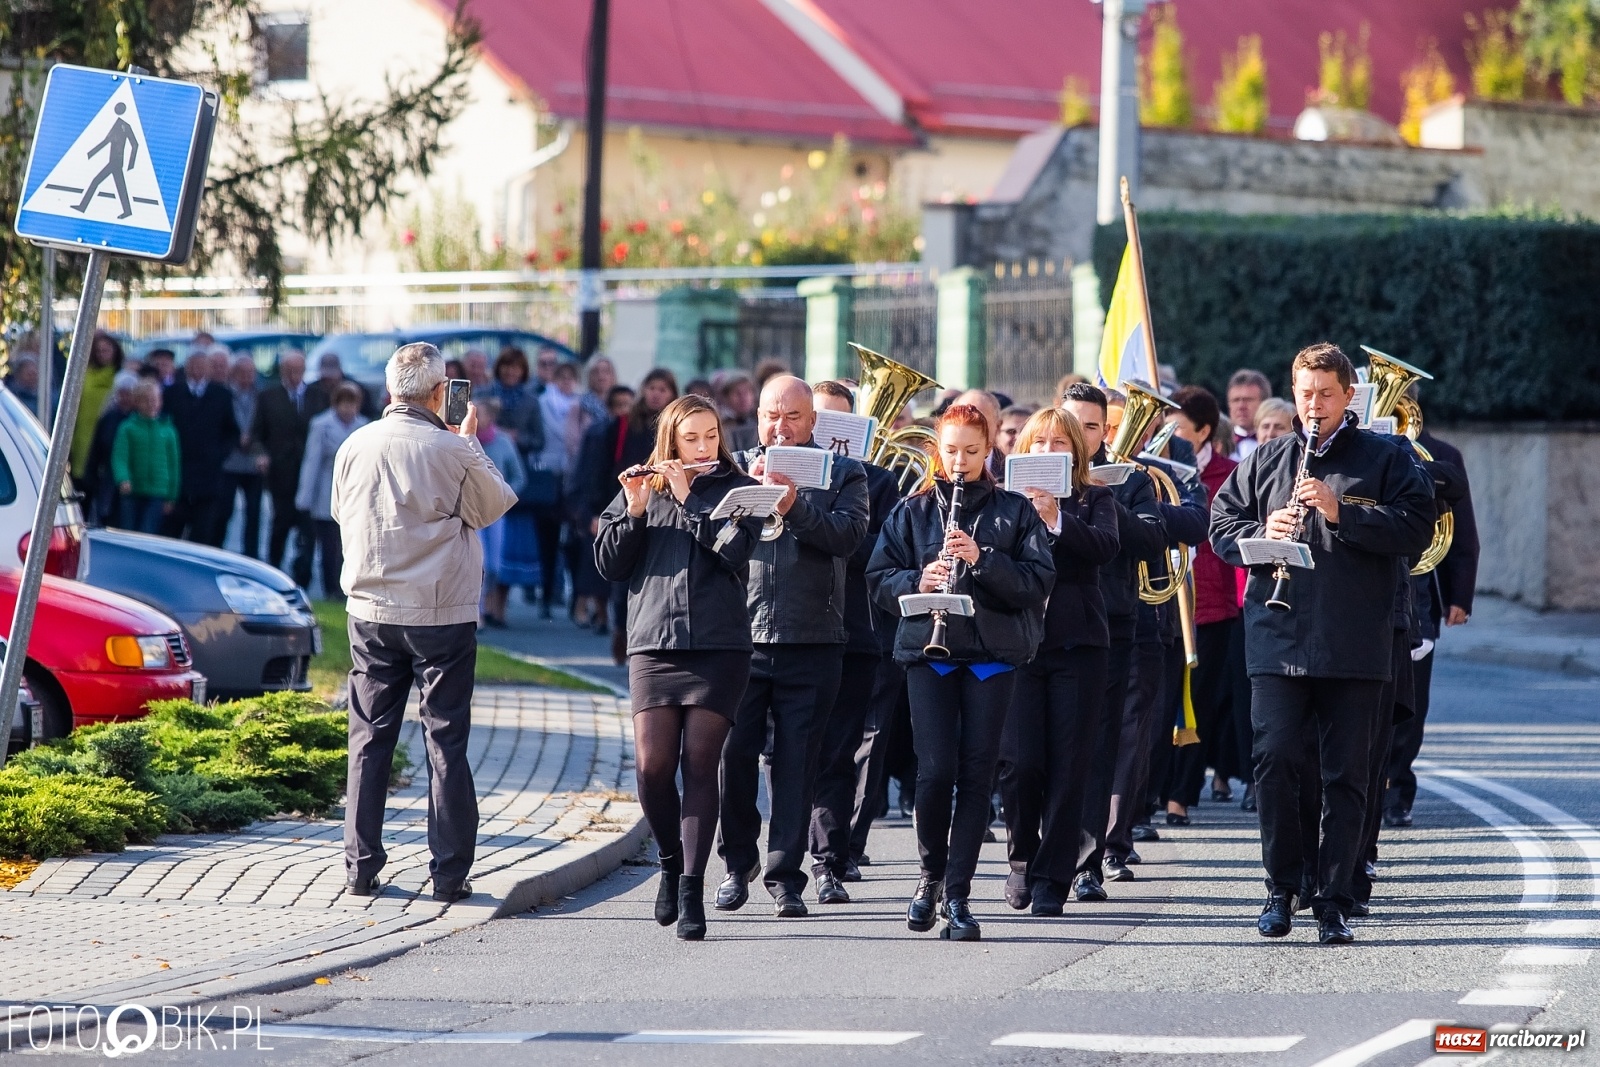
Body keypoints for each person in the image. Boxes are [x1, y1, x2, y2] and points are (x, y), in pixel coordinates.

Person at [1211, 342, 1434, 944]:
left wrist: (1341, 514)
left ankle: (1334, 898)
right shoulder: (1269, 458)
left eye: (1326, 395)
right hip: (1277, 636)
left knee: (1347, 775)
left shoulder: (1385, 457)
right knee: (1276, 760)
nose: (1314, 406)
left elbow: (1416, 527)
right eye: (1305, 394)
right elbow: (1221, 525)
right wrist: (1263, 531)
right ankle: (1282, 889)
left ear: (1348, 395)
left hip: (1354, 641)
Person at [331, 342, 519, 903]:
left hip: (369, 608)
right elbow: (494, 506)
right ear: (440, 393)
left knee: (367, 738)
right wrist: (470, 443)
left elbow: (341, 512)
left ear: (391, 390)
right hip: (441, 612)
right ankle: (448, 874)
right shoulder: (451, 448)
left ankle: (360, 868)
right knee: (445, 740)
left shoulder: (354, 444)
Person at [867, 404, 1054, 941]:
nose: (960, 461)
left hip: (992, 655)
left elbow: (1037, 582)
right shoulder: (913, 511)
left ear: (990, 448)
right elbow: (877, 577)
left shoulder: (1014, 511)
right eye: (950, 450)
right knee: (935, 772)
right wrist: (916, 581)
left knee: (976, 774)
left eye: (972, 451)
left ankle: (958, 894)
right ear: (937, 450)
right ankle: (928, 876)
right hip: (932, 655)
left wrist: (982, 559)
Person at [596, 394, 763, 940]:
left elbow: (735, 554)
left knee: (699, 764)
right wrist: (636, 509)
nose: (702, 446)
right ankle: (669, 859)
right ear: (670, 441)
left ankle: (692, 887)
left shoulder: (738, 493)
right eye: (690, 438)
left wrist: (691, 498)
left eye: (710, 436)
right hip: (654, 645)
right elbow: (611, 565)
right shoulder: (643, 491)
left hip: (719, 648)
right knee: (650, 766)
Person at [715, 374, 869, 919]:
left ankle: (785, 877)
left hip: (815, 638)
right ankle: (737, 862)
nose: (780, 427)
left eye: (793, 417)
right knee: (732, 759)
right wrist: (747, 504)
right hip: (741, 639)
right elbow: (714, 552)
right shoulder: (731, 467)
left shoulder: (845, 472)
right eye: (770, 416)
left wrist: (795, 504)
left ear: (813, 423)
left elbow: (848, 540)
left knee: (796, 765)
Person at [997, 406, 1119, 914]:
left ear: (1076, 453)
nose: (1048, 451)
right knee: (1021, 764)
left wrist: (1056, 519)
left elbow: (1105, 549)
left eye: (1060, 443)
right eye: (1039, 442)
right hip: (1020, 643)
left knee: (1071, 766)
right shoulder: (1005, 501)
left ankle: (1054, 878)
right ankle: (1022, 858)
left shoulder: (1095, 498)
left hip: (1078, 644)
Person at [1060, 383, 1167, 901]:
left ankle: (1087, 863)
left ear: (1107, 431)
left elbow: (1153, 538)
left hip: (1110, 623)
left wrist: (1102, 500)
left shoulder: (1130, 482)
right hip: (1044, 625)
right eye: (1072, 424)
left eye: (1092, 426)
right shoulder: (1033, 468)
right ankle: (1035, 854)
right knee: (1037, 750)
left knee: (1099, 746)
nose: (1081, 435)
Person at [806, 380, 904, 904]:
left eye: (840, 424)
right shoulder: (776, 476)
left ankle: (835, 852)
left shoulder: (879, 481)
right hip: (794, 629)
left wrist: (825, 521)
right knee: (793, 750)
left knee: (848, 749)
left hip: (857, 629)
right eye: (817, 421)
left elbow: (883, 550)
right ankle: (796, 848)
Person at [1385, 425, 1478, 828]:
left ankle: (1397, 789)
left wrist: (1460, 595)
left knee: (1411, 705)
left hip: (1419, 594)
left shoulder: (1441, 454)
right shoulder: (1356, 448)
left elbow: (1461, 530)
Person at [1164, 386, 1247, 820]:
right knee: (1160, 702)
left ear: (1204, 433)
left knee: (1199, 704)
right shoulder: (1156, 472)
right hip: (1164, 602)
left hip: (1213, 609)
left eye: (1177, 429)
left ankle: (1181, 795)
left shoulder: (1230, 474)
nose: (1169, 436)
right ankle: (1154, 791)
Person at [595, 370, 679, 662]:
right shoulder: (626, 424)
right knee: (621, 579)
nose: (656, 394)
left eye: (663, 389)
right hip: (629, 499)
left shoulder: (678, 429)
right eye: (652, 387)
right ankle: (622, 629)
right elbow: (603, 467)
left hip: (665, 506)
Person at [253, 351, 326, 585]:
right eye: (289, 371)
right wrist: (262, 455)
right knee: (280, 525)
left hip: (310, 473)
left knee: (308, 529)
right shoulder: (268, 396)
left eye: (298, 370)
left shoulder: (318, 396)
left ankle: (303, 577)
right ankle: (273, 574)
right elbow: (258, 434)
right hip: (280, 473)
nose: (294, 376)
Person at [570, 384, 635, 633]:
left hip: (621, 501)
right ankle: (597, 611)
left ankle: (607, 616)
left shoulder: (635, 432)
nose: (623, 410)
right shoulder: (599, 432)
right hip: (599, 504)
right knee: (594, 561)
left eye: (628, 404)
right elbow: (589, 473)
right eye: (618, 405)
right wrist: (588, 511)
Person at [297, 381, 370, 600]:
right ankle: (330, 589)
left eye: (352, 404)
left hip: (356, 490)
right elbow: (312, 460)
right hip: (327, 489)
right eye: (343, 403)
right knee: (329, 545)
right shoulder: (321, 424)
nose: (348, 409)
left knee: (351, 544)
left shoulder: (365, 425)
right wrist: (304, 498)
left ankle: (349, 587)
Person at [163, 348, 239, 546]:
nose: (197, 370)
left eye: (201, 366)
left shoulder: (222, 395)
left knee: (204, 533)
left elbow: (231, 432)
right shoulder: (172, 393)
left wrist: (218, 455)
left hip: (208, 477)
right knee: (172, 533)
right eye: (193, 365)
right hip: (178, 474)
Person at [529, 361, 581, 619]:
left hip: (573, 479)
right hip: (548, 476)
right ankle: (546, 595)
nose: (566, 382)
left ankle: (574, 597)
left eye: (571, 377)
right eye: (561, 376)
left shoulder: (579, 405)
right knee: (548, 541)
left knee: (573, 541)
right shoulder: (543, 403)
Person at [473, 399, 527, 627]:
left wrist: (504, 496)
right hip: (471, 511)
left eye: (479, 414)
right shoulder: (462, 441)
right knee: (479, 563)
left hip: (496, 511)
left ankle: (492, 605)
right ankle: (478, 612)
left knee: (494, 565)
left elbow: (519, 476)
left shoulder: (503, 442)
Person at [111, 380, 180, 534]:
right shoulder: (127, 428)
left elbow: (174, 465)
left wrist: (172, 496)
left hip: (158, 492)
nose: (150, 404)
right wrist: (123, 479)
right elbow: (120, 457)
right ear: (137, 403)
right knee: (129, 532)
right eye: (145, 400)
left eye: (154, 400)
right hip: (132, 491)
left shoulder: (168, 430)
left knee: (148, 532)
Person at [221, 355, 267, 558]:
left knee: (254, 514)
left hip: (253, 462)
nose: (247, 378)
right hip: (230, 461)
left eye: (250, 373)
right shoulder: (225, 394)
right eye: (242, 373)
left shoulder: (261, 396)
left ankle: (251, 556)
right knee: (225, 511)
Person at [83, 371, 140, 524]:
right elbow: (96, 450)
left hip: (135, 480)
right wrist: (91, 476)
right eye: (122, 394)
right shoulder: (108, 418)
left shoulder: (140, 419)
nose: (125, 398)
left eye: (129, 394)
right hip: (108, 478)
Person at [69, 330, 124, 490]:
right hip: (84, 436)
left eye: (106, 350)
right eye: (99, 350)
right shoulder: (83, 376)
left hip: (111, 437)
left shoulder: (121, 377)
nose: (102, 354)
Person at [1227, 369, 1272, 459]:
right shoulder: (1220, 443)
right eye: (1235, 400)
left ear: (1264, 403)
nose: (1241, 406)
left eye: (1248, 400)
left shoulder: (1278, 440)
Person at [716, 370, 759, 453]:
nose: (743, 398)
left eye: (747, 392)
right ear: (726, 397)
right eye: (737, 393)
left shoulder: (760, 422)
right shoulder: (721, 425)